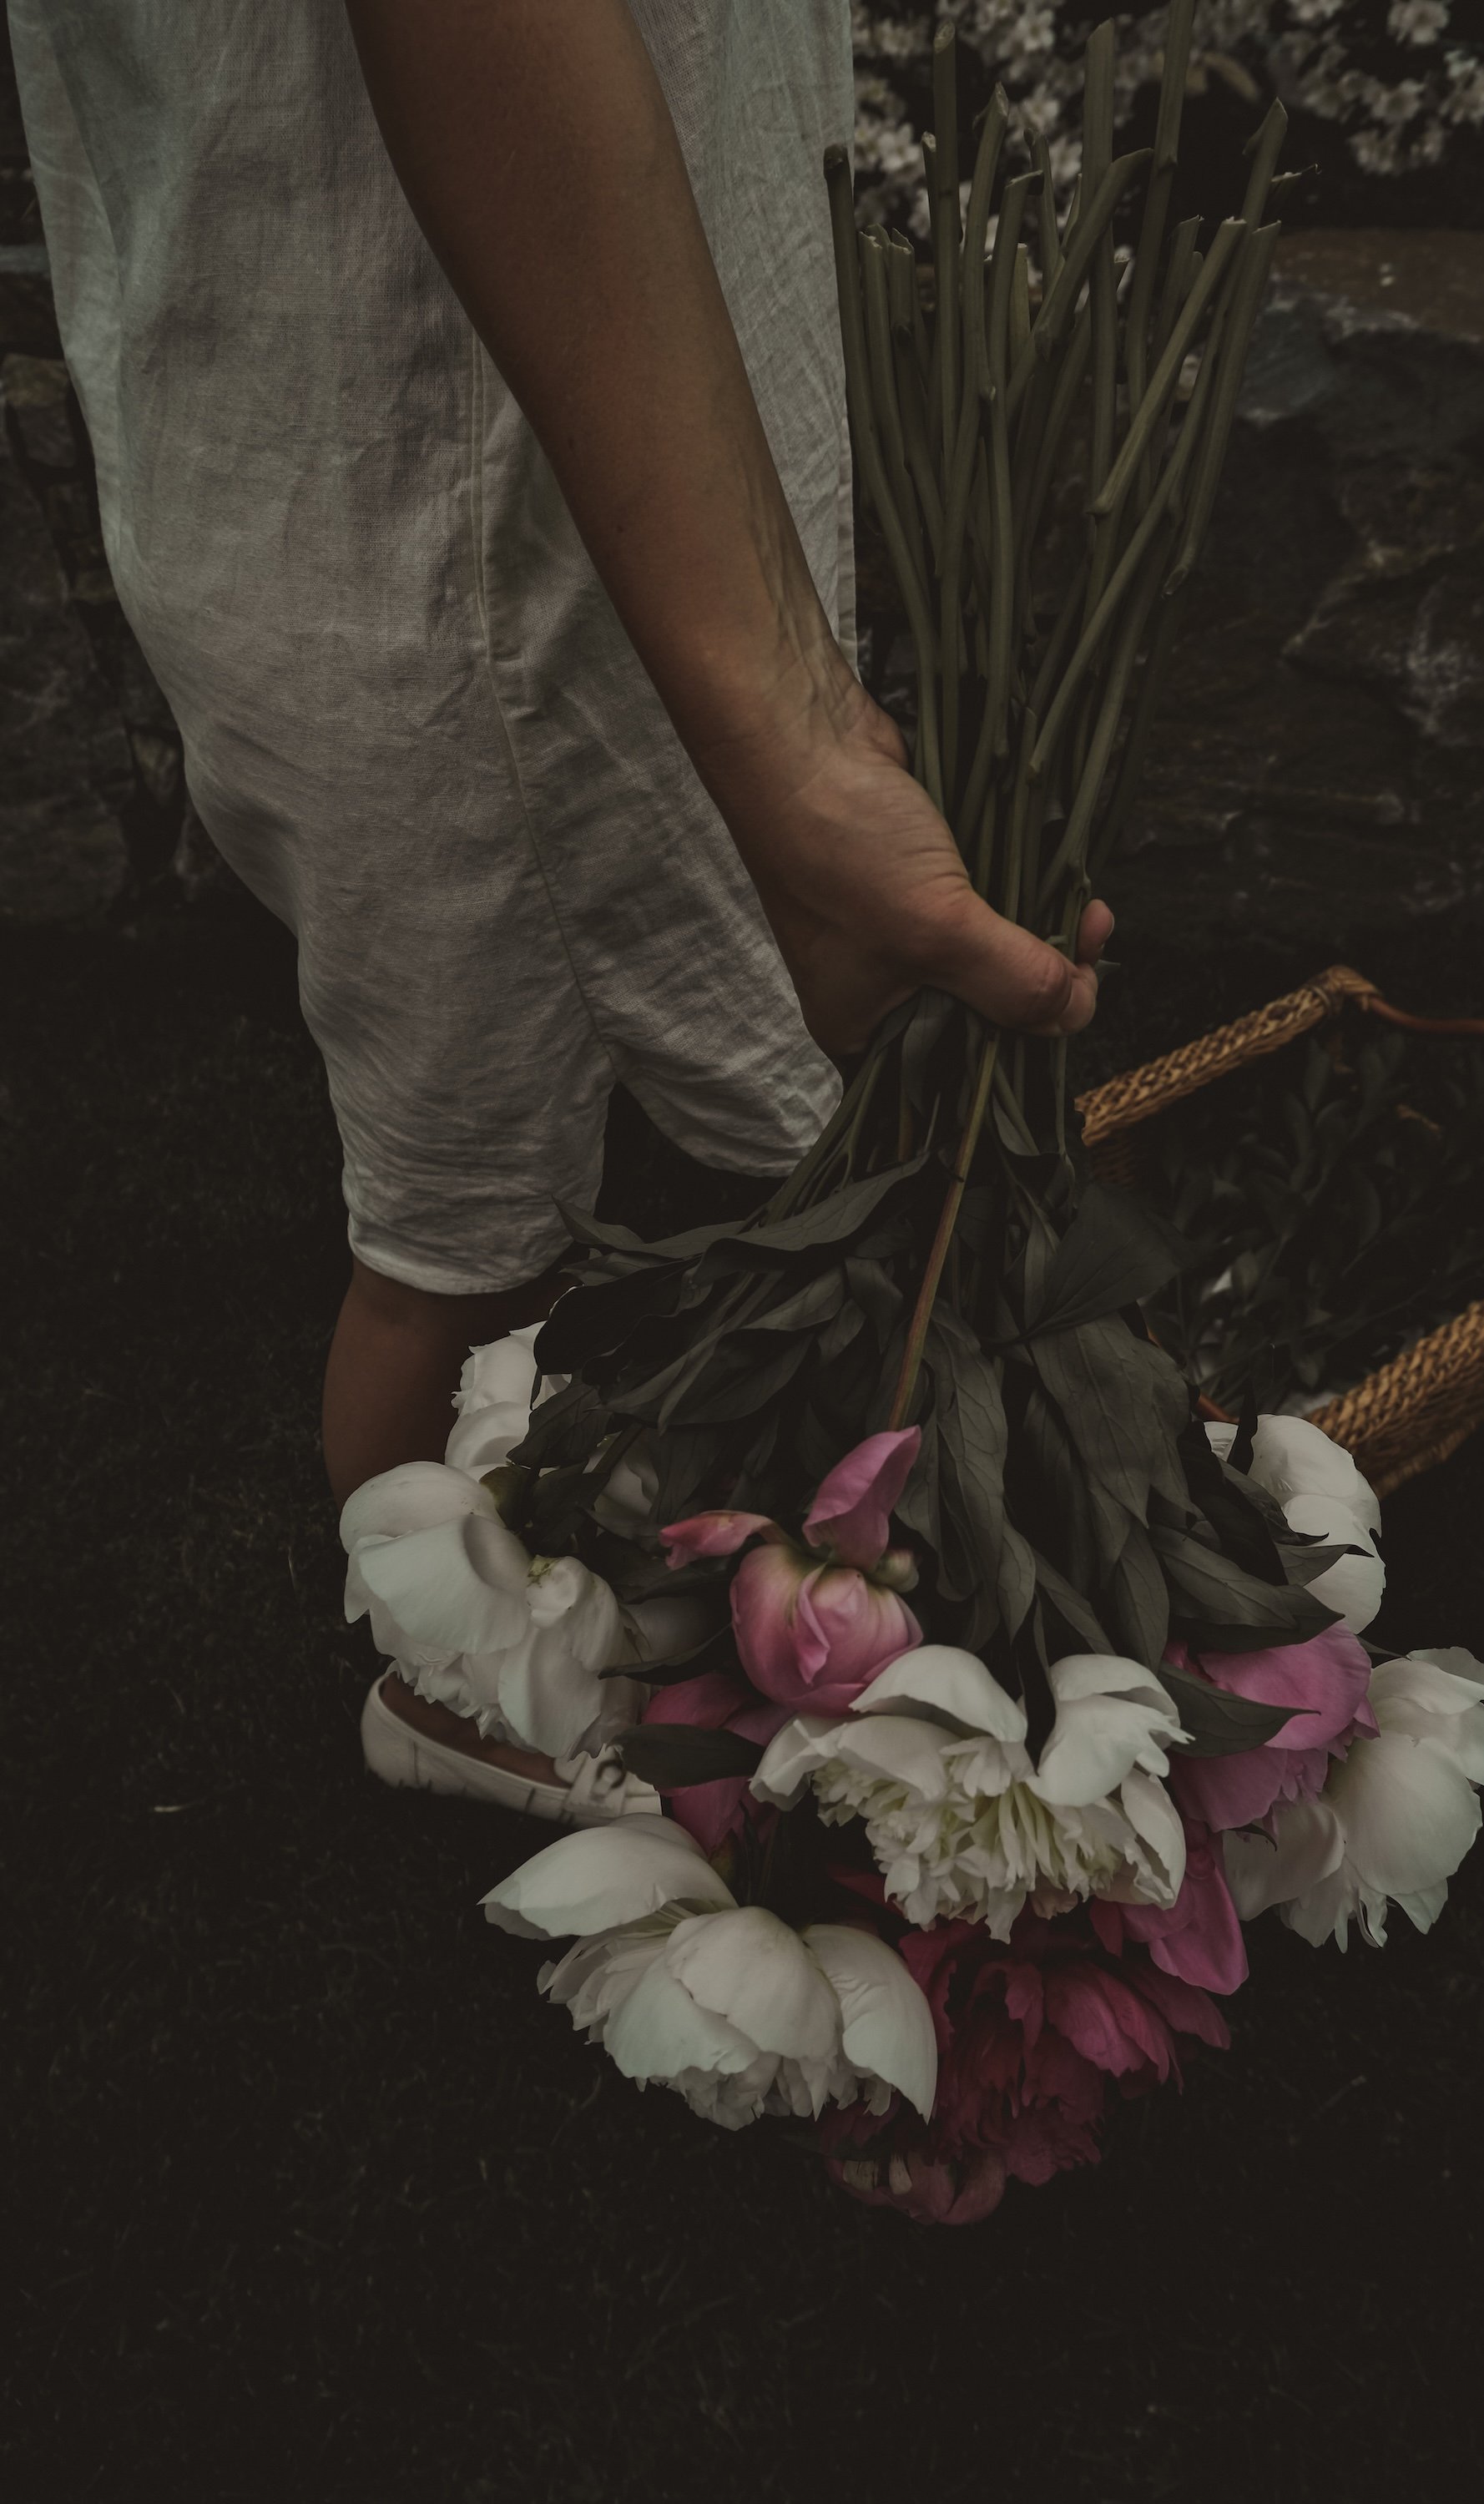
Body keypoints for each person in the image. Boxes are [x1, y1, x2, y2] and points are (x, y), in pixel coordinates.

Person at [13, 1, 1111, 1812]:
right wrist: (793, 745)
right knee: (457, 1200)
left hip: (609, 375)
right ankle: (443, 1673)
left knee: (675, 1080)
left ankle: (837, 1495)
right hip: (435, 440)